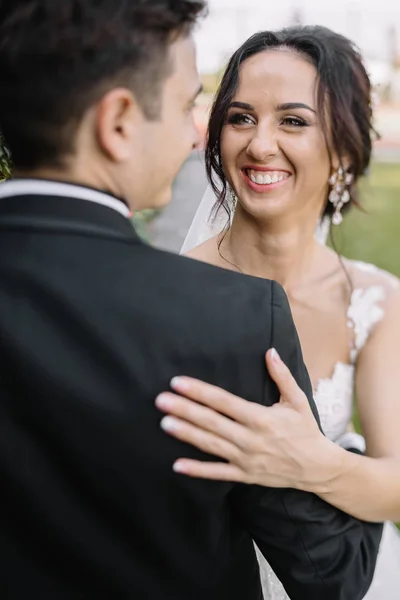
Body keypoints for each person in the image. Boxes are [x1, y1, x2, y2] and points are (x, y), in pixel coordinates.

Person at [0, 3, 382, 597]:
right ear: (119, 120)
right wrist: (343, 452)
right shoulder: (233, 319)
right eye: (187, 107)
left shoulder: (366, 299)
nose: (192, 135)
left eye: (293, 121)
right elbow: (332, 577)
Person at [154, 25, 400, 599]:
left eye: (293, 120)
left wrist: (313, 463)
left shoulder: (375, 301)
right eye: (241, 118)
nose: (260, 145)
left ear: (342, 144)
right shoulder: (170, 288)